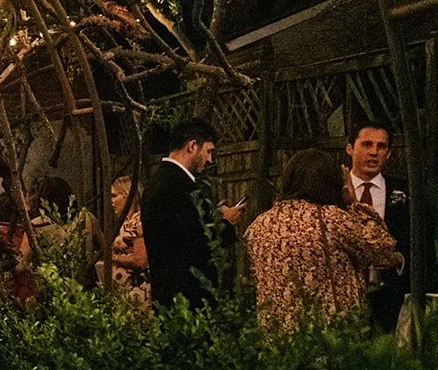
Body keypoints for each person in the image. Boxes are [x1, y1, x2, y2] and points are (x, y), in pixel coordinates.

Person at [245, 149, 401, 332]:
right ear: (331, 182)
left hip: (277, 336)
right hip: (329, 334)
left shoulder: (258, 226)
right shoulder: (331, 220)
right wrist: (352, 203)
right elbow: (381, 250)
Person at [140, 119, 243, 310]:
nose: (210, 160)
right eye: (208, 151)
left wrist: (212, 217)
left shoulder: (158, 181)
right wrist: (226, 223)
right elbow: (196, 243)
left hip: (167, 293)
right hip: (186, 298)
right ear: (192, 146)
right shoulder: (178, 185)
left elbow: (176, 232)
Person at [345, 121, 424, 332]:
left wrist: (399, 260)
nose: (374, 153)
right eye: (367, 144)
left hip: (393, 300)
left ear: (388, 153)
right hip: (344, 298)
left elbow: (423, 244)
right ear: (350, 148)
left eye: (381, 147)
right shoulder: (333, 191)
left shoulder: (407, 191)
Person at [102, 175, 151, 307]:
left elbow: (140, 261)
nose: (111, 201)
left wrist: (114, 258)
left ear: (127, 195)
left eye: (114, 196)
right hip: (126, 291)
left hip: (137, 291)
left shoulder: (137, 222)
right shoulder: (126, 222)